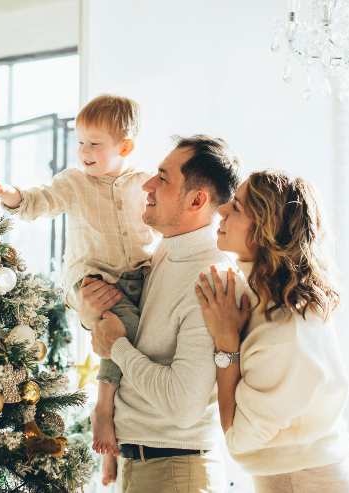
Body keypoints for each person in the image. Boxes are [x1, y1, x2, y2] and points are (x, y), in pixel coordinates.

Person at [0, 94, 155, 482]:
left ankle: (124, 442)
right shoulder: (75, 182)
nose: (84, 152)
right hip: (94, 278)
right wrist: (11, 195)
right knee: (120, 334)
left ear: (124, 147)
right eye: (80, 142)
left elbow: (163, 223)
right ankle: (104, 412)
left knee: (146, 348)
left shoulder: (143, 183)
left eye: (95, 144)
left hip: (141, 276)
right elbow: (38, 202)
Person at [83, 135, 240, 491]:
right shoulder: (167, 252)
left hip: (174, 472)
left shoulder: (212, 280)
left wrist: (117, 347)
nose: (148, 184)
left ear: (197, 199)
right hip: (142, 462)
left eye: (164, 178)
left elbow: (182, 405)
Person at [195, 170, 349, 493]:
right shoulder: (273, 300)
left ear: (264, 231)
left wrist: (227, 346)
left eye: (238, 208)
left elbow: (239, 440)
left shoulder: (283, 330)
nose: (221, 210)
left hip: (305, 484)